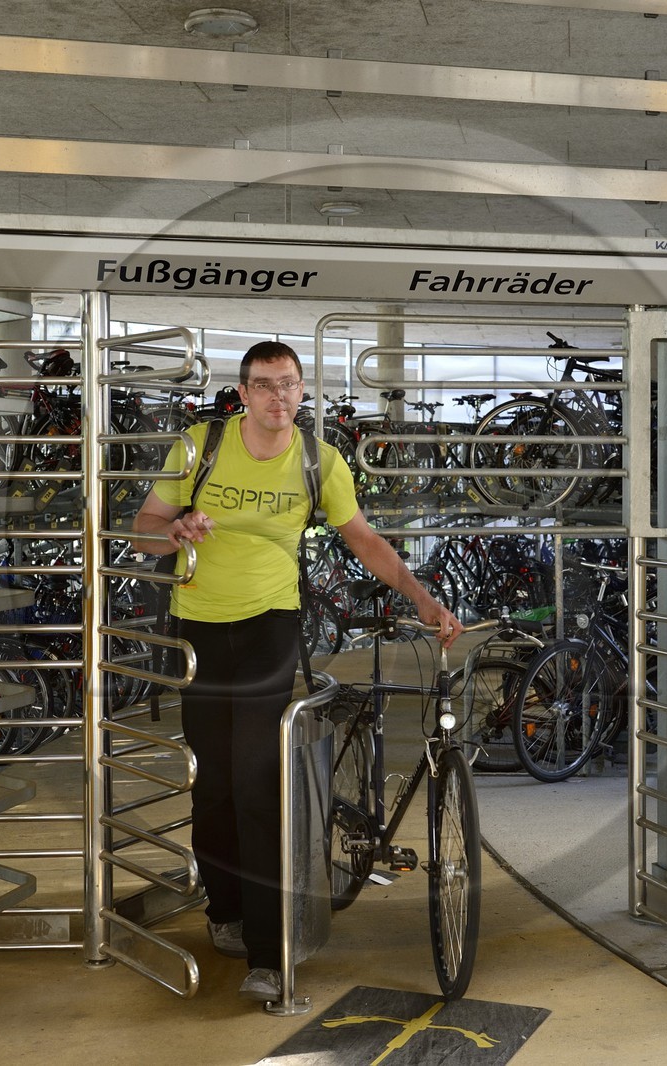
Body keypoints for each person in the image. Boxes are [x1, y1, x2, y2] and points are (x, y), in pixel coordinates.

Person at [132, 340, 462, 1004]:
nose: (277, 397)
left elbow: (363, 537)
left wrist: (420, 595)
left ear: (302, 391)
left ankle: (267, 949)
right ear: (245, 392)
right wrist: (175, 533)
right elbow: (143, 528)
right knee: (212, 782)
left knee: (257, 780)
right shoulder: (201, 446)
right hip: (198, 629)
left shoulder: (319, 461)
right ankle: (223, 912)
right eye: (264, 385)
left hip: (270, 627)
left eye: (288, 385)